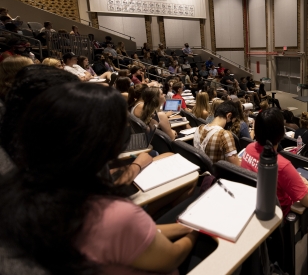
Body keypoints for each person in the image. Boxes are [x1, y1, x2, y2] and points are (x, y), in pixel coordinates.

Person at [0, 83, 199, 274]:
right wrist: (199, 229)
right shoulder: (114, 214)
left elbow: (130, 235)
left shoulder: (22, 192)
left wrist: (183, 227)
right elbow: (172, 258)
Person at [240, 108, 308, 216]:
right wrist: (300, 180)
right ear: (282, 133)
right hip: (279, 219)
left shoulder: (248, 148)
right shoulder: (282, 166)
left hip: (254, 208)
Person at [193, 101, 240, 165]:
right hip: (218, 173)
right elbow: (236, 166)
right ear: (229, 116)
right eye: (232, 121)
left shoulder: (199, 128)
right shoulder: (224, 135)